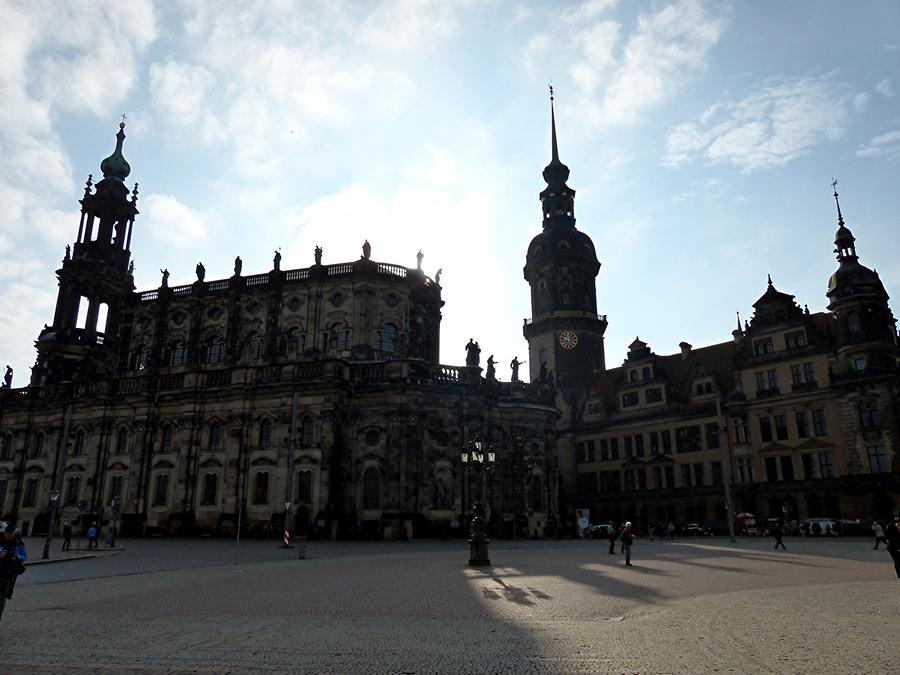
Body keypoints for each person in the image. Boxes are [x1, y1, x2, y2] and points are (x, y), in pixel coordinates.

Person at [0, 523, 27, 620]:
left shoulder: (18, 544)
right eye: (8, 535)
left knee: (2, 599)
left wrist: (17, 557)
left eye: (11, 536)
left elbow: (24, 556)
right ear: (4, 533)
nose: (9, 537)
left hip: (9, 575)